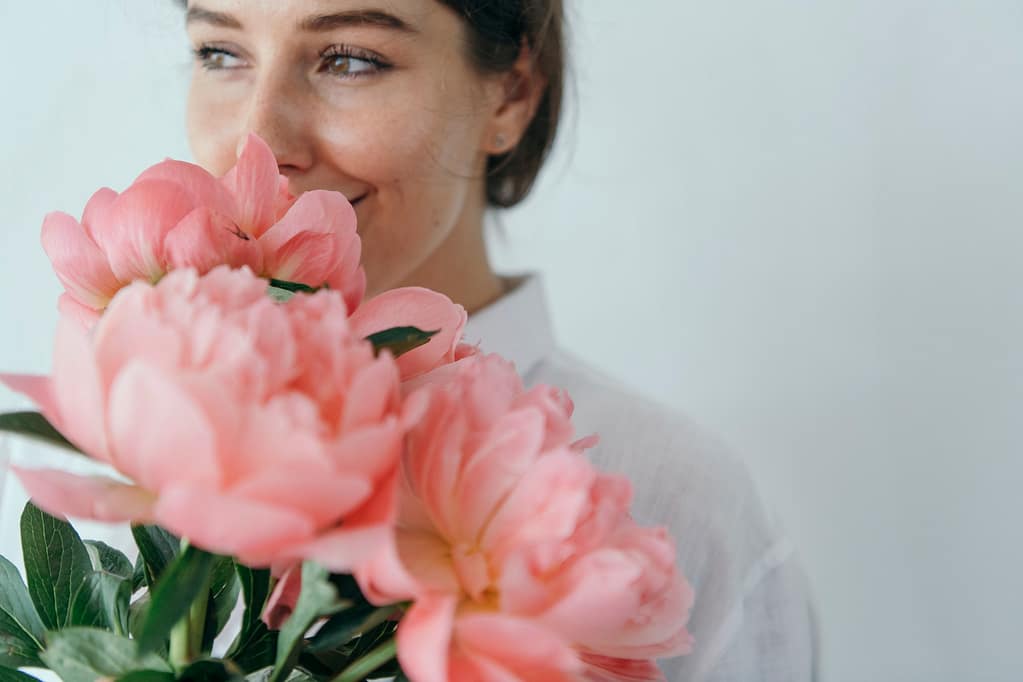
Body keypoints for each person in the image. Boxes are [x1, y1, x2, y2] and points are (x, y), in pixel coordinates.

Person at [0, 1, 819, 679]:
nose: (259, 140)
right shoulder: (137, 437)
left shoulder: (673, 499)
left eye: (349, 58)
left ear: (511, 96)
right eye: (220, 53)